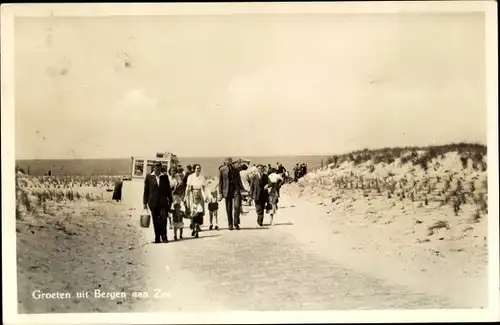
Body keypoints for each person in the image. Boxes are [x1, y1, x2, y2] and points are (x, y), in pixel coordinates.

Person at [143, 162, 172, 243]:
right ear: (154, 168)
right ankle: (157, 238)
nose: (157, 170)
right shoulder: (149, 177)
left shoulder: (165, 177)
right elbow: (146, 191)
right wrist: (144, 203)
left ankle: (164, 237)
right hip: (153, 203)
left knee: (163, 220)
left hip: (163, 202)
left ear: (160, 168)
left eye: (159, 169)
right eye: (156, 169)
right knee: (155, 221)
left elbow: (168, 189)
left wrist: (170, 200)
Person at [218, 157, 244, 230]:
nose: (229, 161)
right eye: (227, 160)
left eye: (230, 160)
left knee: (237, 206)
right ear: (225, 161)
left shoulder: (236, 169)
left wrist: (242, 189)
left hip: (236, 189)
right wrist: (220, 192)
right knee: (229, 209)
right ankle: (230, 224)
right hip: (227, 190)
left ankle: (236, 223)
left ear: (232, 161)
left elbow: (239, 180)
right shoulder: (222, 169)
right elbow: (220, 182)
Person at [185, 164, 208, 238]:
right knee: (193, 210)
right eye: (197, 168)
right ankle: (193, 225)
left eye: (199, 168)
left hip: (200, 194)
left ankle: (198, 226)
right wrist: (186, 196)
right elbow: (187, 187)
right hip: (192, 194)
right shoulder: (190, 177)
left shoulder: (202, 177)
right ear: (194, 169)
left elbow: (204, 188)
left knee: (200, 211)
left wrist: (206, 196)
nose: (198, 169)